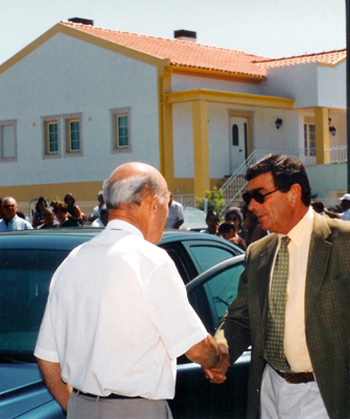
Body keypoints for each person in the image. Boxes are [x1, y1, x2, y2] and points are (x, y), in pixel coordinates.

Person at [208, 154, 350, 419]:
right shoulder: (258, 253)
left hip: (327, 394)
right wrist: (221, 349)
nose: (251, 206)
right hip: (270, 389)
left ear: (294, 193)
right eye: (249, 198)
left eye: (260, 195)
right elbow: (241, 317)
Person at [34, 162, 226, 417]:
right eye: (167, 203)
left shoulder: (73, 260)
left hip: (82, 407)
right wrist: (217, 361)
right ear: (152, 203)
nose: (167, 213)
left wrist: (78, 408)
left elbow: (47, 359)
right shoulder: (150, 259)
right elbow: (196, 347)